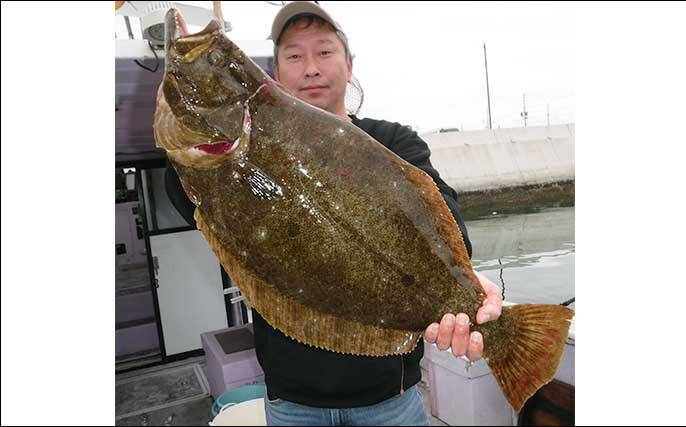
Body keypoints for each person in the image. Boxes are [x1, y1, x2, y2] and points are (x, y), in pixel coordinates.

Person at [165, 2, 502, 425]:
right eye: (293, 55)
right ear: (274, 71)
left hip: (390, 402)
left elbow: (450, 227)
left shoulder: (392, 141)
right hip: (291, 403)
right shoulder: (243, 158)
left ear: (349, 63)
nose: (310, 68)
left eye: (324, 52)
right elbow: (188, 202)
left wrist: (465, 284)